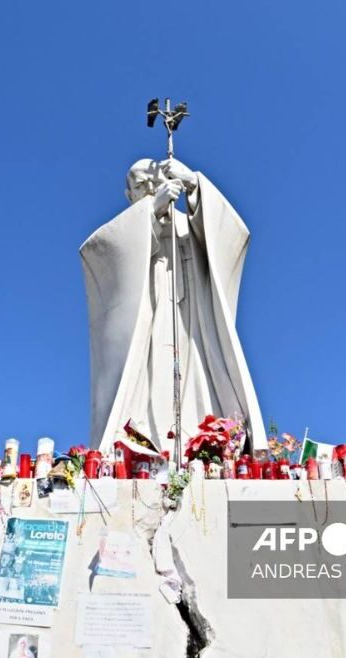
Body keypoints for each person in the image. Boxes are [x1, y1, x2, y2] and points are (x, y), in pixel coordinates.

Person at [81, 156, 265, 451]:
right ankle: (144, 443)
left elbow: (233, 235)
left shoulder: (190, 226)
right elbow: (96, 253)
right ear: (130, 195)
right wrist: (150, 215)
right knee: (149, 383)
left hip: (194, 321)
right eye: (142, 186)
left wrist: (194, 184)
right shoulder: (124, 235)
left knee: (199, 382)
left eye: (155, 184)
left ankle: (208, 443)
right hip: (149, 322)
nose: (151, 190)